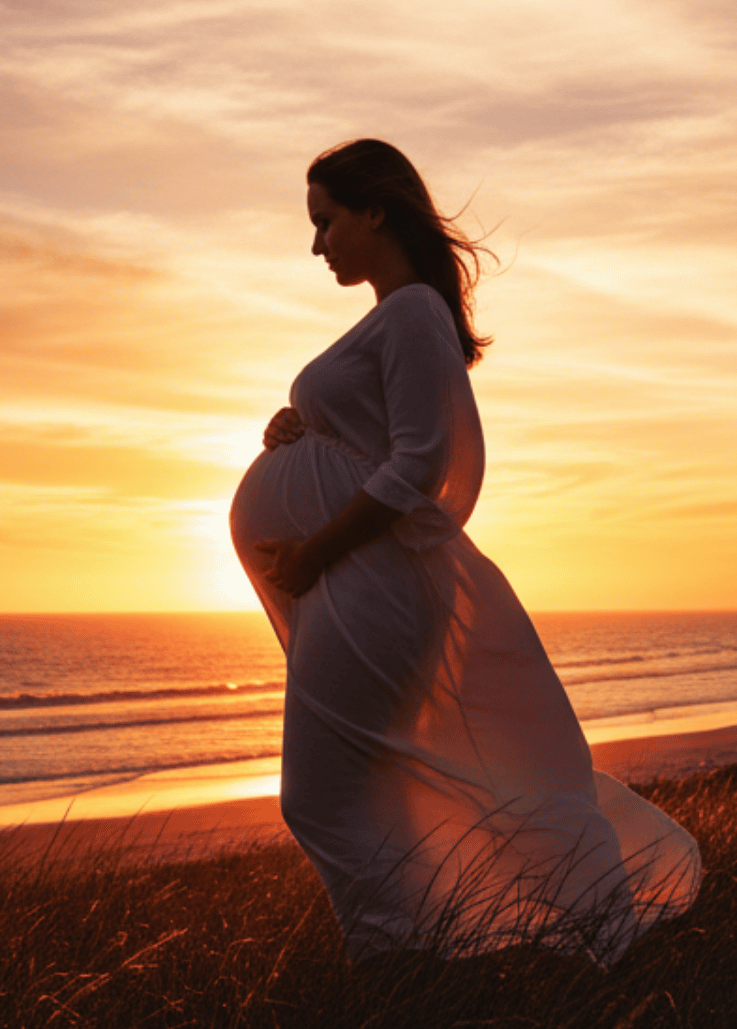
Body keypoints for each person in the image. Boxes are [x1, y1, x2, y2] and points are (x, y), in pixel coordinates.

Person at [230, 139, 700, 963]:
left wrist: (312, 551)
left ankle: (406, 964)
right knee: (374, 788)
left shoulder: (412, 311)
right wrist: (297, 430)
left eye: (326, 221)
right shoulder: (390, 320)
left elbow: (420, 462)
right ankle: (443, 955)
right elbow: (375, 440)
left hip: (363, 580)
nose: (316, 245)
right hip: (353, 582)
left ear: (376, 208)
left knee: (322, 795)